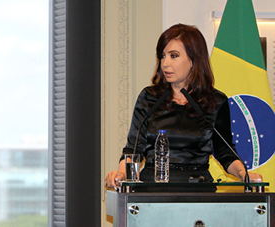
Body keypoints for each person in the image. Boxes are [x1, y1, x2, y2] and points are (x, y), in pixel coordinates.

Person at [104, 24, 262, 191]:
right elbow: (134, 149)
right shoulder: (149, 98)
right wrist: (121, 174)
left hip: (197, 191)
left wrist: (244, 174)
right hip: (151, 192)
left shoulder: (215, 101)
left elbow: (225, 152)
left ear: (194, 60)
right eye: (162, 56)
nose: (165, 63)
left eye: (174, 56)